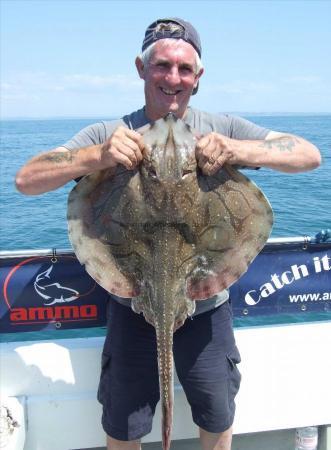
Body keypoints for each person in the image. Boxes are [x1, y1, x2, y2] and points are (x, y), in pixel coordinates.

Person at [16, 17, 321, 450]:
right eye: (162, 65)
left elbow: (309, 155)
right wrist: (96, 156)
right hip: (132, 306)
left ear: (197, 78)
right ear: (141, 69)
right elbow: (27, 180)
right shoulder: (109, 133)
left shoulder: (224, 127)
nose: (172, 77)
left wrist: (237, 149)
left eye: (184, 69)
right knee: (124, 425)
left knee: (217, 415)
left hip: (207, 310)